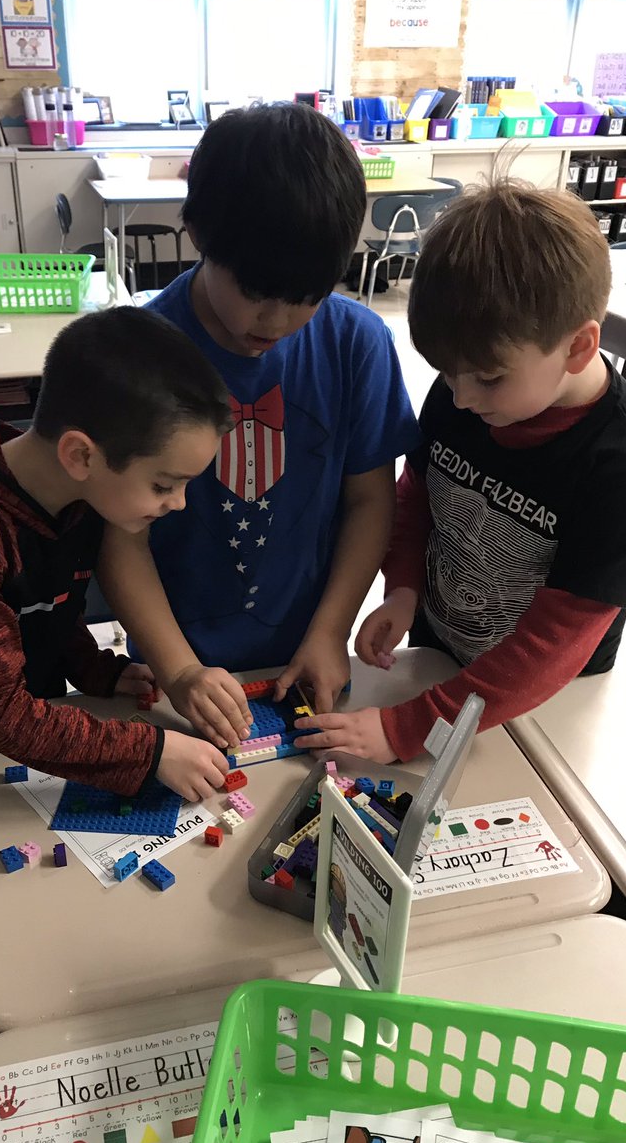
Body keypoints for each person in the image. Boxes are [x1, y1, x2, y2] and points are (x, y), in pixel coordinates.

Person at [294, 180, 626, 762]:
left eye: (487, 377)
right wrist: (403, 588)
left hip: (544, 699)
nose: (462, 398)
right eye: (448, 375)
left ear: (578, 348)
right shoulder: (464, 391)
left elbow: (553, 647)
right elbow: (417, 493)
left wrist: (411, 729)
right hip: (440, 656)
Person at [99, 102, 420, 748]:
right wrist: (181, 669)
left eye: (305, 296)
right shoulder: (138, 354)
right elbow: (120, 538)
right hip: (173, 665)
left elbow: (369, 500)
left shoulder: (358, 344)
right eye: (254, 290)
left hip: (308, 652)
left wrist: (330, 633)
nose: (275, 320)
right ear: (196, 231)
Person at [0, 308, 236, 802]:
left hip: (8, 742)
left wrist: (94, 669)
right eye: (164, 484)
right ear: (81, 455)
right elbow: (2, 713)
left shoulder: (77, 496)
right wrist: (151, 752)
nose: (177, 503)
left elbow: (43, 603)